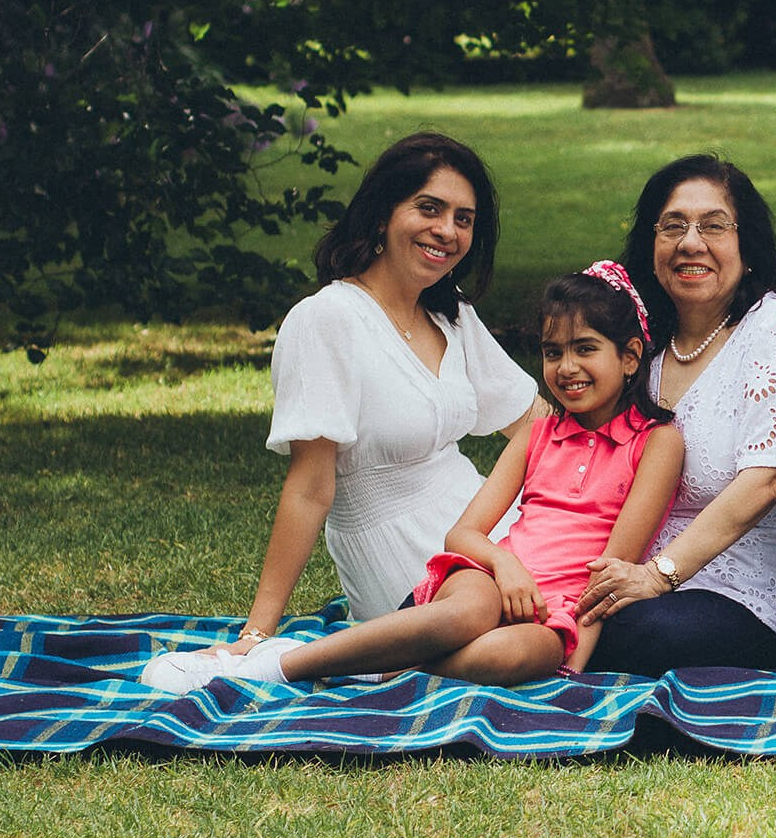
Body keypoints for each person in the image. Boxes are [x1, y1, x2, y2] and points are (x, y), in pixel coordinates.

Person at [141, 266, 683, 690]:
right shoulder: (539, 434)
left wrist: (576, 666)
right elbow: (464, 536)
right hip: (494, 576)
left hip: (561, 606)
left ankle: (374, 665)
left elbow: (613, 569)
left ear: (631, 356)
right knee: (467, 610)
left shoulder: (656, 442)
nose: (566, 368)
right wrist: (505, 566)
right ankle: (281, 664)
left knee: (510, 656)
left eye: (585, 349)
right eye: (552, 352)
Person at [217, 132, 542, 655]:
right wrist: (257, 632)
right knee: (513, 640)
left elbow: (535, 422)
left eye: (464, 218)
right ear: (383, 215)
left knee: (583, 616)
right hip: (395, 548)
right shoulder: (327, 320)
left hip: (478, 518)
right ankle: (316, 662)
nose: (447, 231)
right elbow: (309, 488)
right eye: (429, 208)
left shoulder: (449, 313)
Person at [572, 155, 776, 674]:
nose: (691, 243)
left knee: (636, 634)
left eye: (714, 226)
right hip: (622, 562)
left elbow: (769, 479)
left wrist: (658, 575)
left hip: (742, 584)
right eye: (673, 226)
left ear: (746, 247)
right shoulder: (641, 340)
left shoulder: (773, 328)